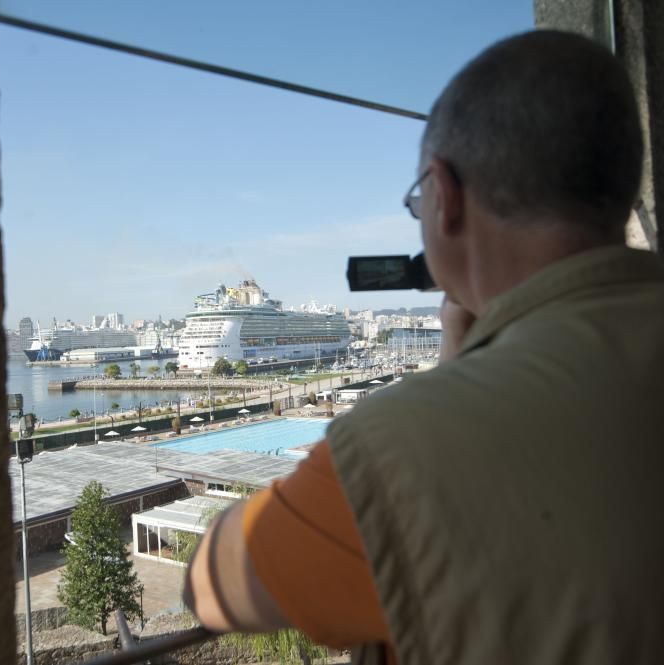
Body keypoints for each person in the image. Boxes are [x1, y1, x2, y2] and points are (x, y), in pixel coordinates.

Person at [182, 30, 664, 665]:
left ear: (446, 193)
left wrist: (454, 383)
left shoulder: (400, 449)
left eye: (417, 201)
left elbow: (211, 588)